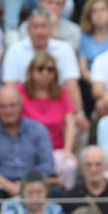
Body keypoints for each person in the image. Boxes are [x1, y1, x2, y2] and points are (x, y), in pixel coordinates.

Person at [0, 82, 54, 211]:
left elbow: (47, 165)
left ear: (20, 106)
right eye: (3, 106)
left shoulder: (38, 129)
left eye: (12, 105)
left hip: (35, 184)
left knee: (57, 193)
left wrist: (27, 185)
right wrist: (8, 186)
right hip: (1, 186)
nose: (8, 110)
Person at [16, 51, 78, 188]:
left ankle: (65, 200)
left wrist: (68, 150)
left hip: (55, 149)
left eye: (50, 69)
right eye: (40, 69)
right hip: (27, 149)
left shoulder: (61, 92)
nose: (45, 73)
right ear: (31, 71)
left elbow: (70, 122)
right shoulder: (20, 91)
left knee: (70, 165)